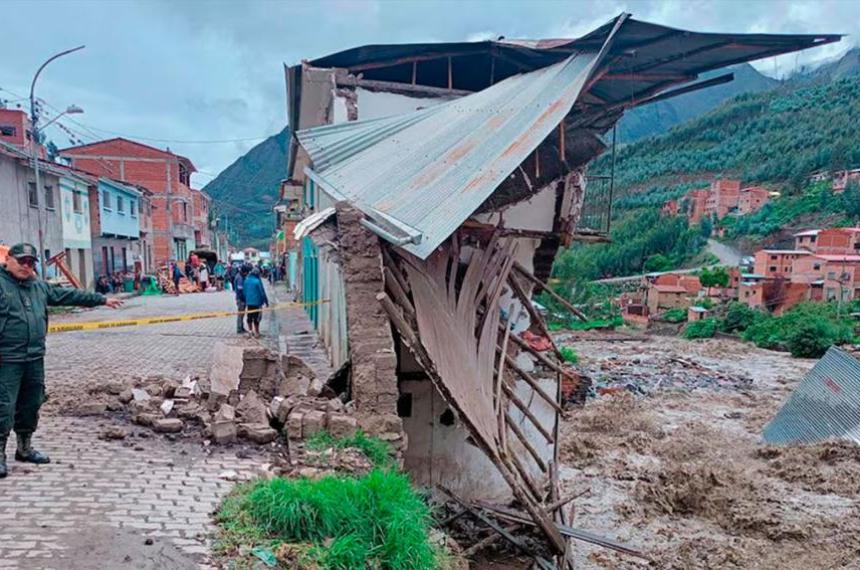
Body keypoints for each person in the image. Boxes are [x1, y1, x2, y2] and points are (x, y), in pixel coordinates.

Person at [0, 243, 123, 478]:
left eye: (31, 262)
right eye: (22, 261)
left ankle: (24, 448)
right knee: (3, 406)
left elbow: (68, 295)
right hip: (7, 360)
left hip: (34, 357)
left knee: (31, 404)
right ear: (9, 260)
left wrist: (100, 299)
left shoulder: (38, 286)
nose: (26, 266)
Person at [243, 267, 269, 339]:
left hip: (249, 302)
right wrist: (266, 302)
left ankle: (250, 331)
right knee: (256, 318)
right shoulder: (257, 281)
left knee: (249, 317)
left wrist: (246, 300)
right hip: (257, 303)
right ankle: (257, 332)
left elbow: (244, 291)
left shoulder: (246, 280)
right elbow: (262, 292)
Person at [234, 264, 249, 334]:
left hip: (241, 298)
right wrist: (243, 299)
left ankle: (241, 327)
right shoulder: (239, 278)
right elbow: (240, 290)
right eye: (246, 272)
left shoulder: (241, 276)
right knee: (240, 314)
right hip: (241, 299)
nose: (247, 274)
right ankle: (239, 329)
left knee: (242, 314)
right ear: (244, 271)